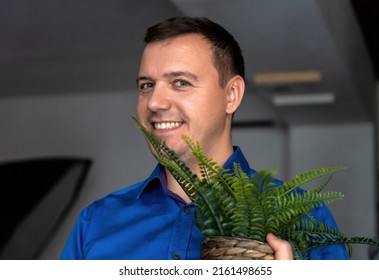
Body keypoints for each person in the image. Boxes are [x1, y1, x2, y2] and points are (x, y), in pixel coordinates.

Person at [60, 16, 348, 260]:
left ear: (231, 95)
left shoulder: (306, 217)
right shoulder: (96, 222)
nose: (154, 102)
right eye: (147, 85)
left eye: (180, 82)